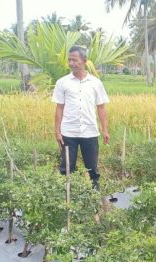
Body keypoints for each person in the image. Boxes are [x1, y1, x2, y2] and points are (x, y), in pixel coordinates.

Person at [52, 46, 110, 189]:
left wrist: (105, 130)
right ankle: (68, 200)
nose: (71, 63)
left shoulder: (96, 83)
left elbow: (101, 107)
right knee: (66, 168)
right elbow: (59, 108)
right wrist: (57, 131)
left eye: (74, 60)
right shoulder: (62, 82)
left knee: (92, 170)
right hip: (68, 132)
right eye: (69, 60)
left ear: (84, 61)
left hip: (90, 132)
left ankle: (94, 199)